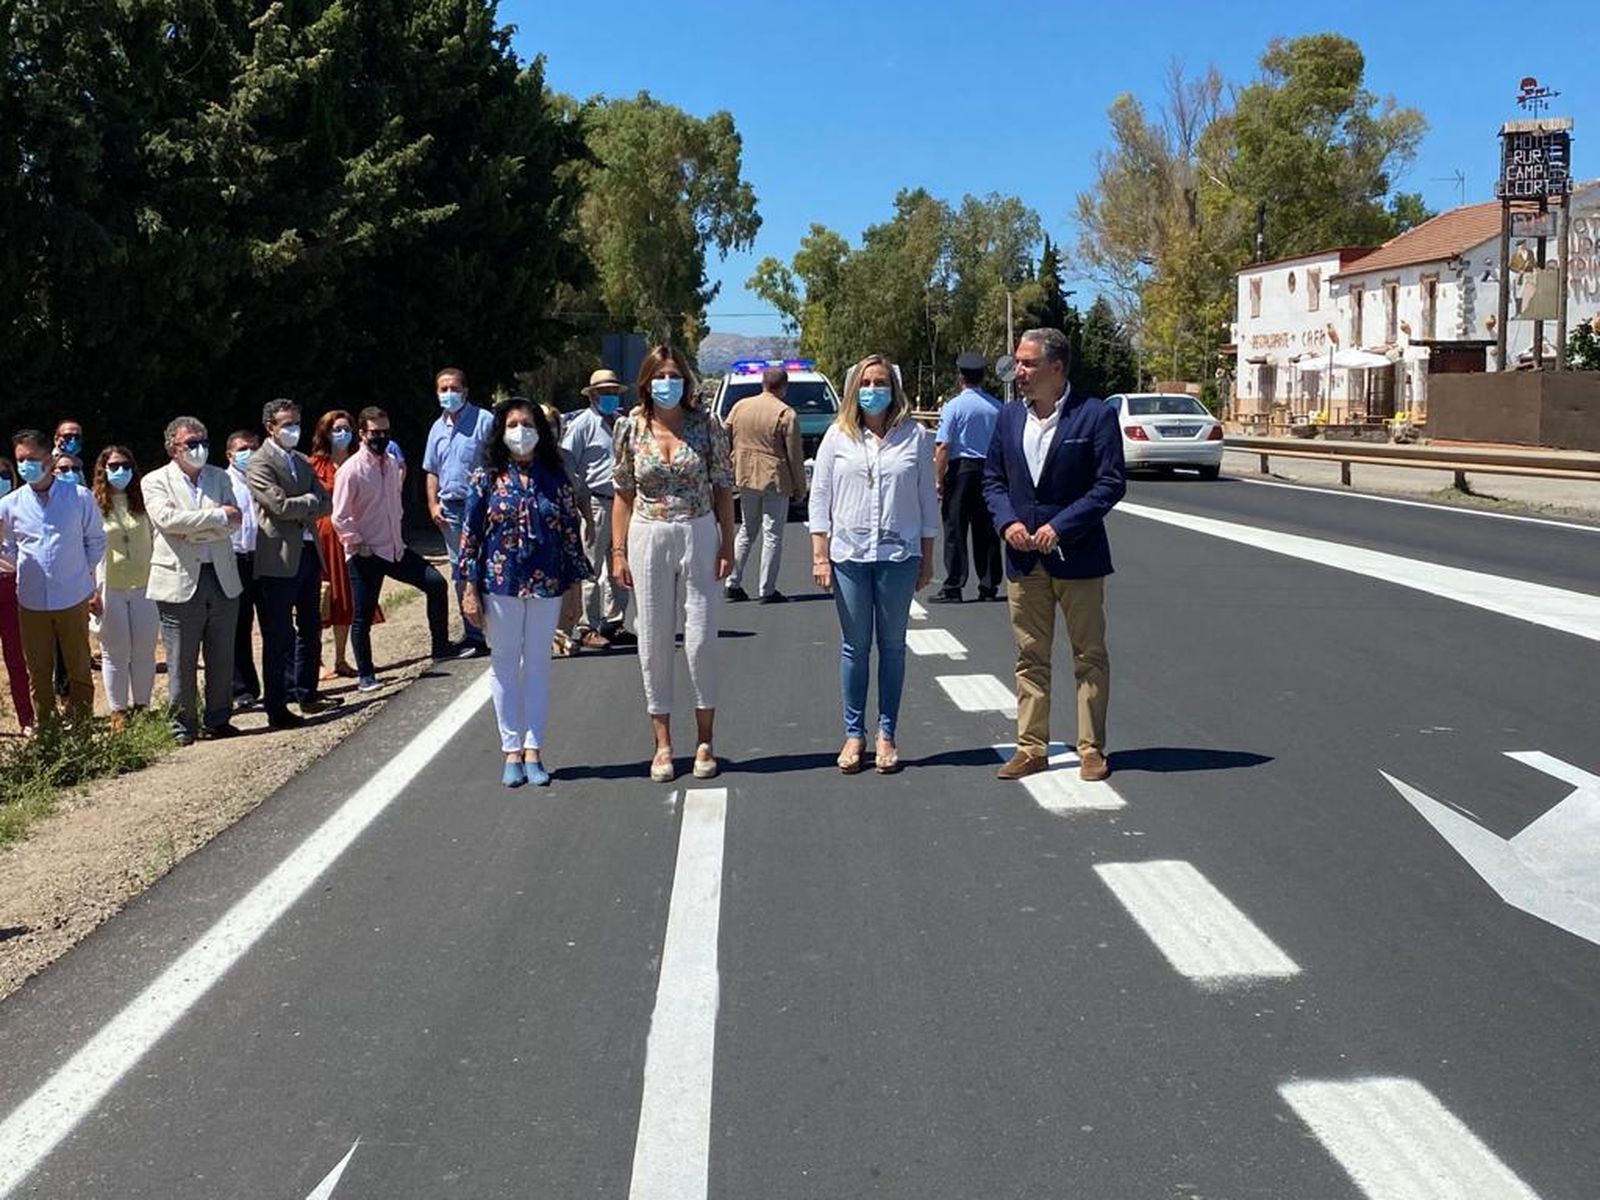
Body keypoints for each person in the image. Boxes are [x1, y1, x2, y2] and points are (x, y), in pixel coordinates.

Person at [982, 327, 1126, 783]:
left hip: (1078, 557)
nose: (1018, 371)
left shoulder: (1095, 415)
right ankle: (1031, 748)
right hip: (1025, 561)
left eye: (1027, 363)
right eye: (1018, 362)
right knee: (1030, 657)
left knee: (1089, 654)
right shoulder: (1007, 417)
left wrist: (1060, 526)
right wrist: (1008, 522)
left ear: (1056, 367)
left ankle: (1091, 749)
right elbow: (992, 480)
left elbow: (1110, 483)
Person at [611, 344, 735, 783]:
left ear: (685, 380)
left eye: (675, 375)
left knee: (700, 638)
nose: (668, 383)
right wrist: (618, 550)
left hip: (697, 528)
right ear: (647, 381)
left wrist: (728, 543)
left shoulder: (707, 426)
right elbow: (623, 492)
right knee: (654, 639)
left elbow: (723, 487)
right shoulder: (630, 428)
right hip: (648, 532)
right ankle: (662, 744)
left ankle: (705, 740)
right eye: (660, 375)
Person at [809, 355, 938, 775]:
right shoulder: (837, 437)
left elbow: (926, 499)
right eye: (865, 382)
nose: (873, 389)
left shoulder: (915, 437)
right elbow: (820, 497)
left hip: (898, 556)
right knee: (855, 647)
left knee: (894, 647)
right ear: (853, 390)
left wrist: (928, 555)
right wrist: (819, 554)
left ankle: (886, 733)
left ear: (893, 388)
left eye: (880, 382)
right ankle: (853, 734)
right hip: (849, 556)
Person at [457, 399, 590, 786]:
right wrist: (467, 588)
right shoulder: (486, 478)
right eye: (512, 424)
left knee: (537, 665)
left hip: (547, 583)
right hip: (500, 583)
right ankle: (510, 749)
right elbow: (470, 537)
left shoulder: (556, 478)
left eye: (527, 423)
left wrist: (575, 591)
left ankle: (534, 749)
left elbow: (570, 537)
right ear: (501, 432)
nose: (521, 431)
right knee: (504, 663)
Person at [333, 406, 453, 690]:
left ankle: (441, 646)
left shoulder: (390, 463)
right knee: (363, 615)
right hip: (366, 553)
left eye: (385, 432)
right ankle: (366, 674)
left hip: (395, 549)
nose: (381, 437)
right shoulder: (351, 470)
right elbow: (340, 516)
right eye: (375, 432)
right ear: (362, 434)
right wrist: (357, 543)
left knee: (435, 583)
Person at [142, 417, 245, 745]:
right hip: (179, 579)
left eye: (203, 442)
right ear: (174, 448)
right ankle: (182, 724)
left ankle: (218, 716)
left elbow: (236, 518)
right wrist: (215, 518)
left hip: (222, 575)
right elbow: (168, 521)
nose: (199, 449)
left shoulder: (218, 476)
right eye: (191, 443)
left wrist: (196, 527)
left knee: (221, 652)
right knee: (181, 658)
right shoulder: (155, 481)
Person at [0, 431, 103, 726]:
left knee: (79, 668)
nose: (25, 465)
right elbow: (8, 549)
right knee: (39, 671)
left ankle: (82, 726)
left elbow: (95, 539)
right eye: (21, 460)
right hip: (31, 599)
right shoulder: (10, 504)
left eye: (32, 459)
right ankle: (47, 730)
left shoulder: (78, 497)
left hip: (72, 594)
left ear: (49, 459)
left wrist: (80, 572)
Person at [247, 400, 339, 727]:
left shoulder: (301, 460)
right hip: (279, 557)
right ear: (270, 427)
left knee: (311, 625)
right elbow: (278, 506)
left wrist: (306, 504)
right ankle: (277, 704)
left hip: (309, 552)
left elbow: (326, 501)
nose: (293, 430)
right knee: (279, 634)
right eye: (286, 424)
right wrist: (308, 503)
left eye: (296, 423)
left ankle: (307, 690)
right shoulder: (259, 462)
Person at [559, 368, 635, 650]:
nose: (610, 397)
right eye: (604, 393)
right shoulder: (581, 425)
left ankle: (614, 622)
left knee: (621, 564)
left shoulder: (621, 423)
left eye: (614, 392)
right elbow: (567, 463)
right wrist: (580, 501)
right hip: (595, 503)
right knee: (591, 568)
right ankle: (586, 626)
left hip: (623, 503)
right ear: (592, 395)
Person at [423, 366, 492, 657]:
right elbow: (431, 470)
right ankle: (474, 633)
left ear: (465, 391)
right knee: (460, 569)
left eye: (454, 388)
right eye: (443, 389)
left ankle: (497, 628)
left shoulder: (485, 421)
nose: (448, 394)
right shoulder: (437, 428)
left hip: (481, 505)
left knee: (488, 564)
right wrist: (432, 503)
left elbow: (497, 460)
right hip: (449, 509)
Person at [725, 364, 807, 604]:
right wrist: (800, 487)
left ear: (763, 383)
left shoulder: (740, 406)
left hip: (745, 476)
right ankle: (767, 589)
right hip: (774, 479)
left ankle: (733, 581)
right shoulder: (785, 413)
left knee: (747, 531)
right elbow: (795, 455)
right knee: (772, 534)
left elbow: (725, 435)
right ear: (783, 387)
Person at [91, 446, 158, 731]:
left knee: (144, 650)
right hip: (110, 588)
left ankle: (142, 706)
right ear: (103, 470)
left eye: (126, 465)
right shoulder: (93, 505)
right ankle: (118, 712)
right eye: (114, 465)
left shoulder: (143, 502)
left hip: (145, 585)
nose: (121, 471)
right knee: (115, 653)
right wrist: (91, 590)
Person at [929, 350, 1004, 604]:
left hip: (961, 472)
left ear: (961, 377)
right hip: (990, 472)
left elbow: (943, 446)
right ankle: (989, 585)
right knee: (987, 531)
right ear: (983, 377)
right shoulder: (997, 407)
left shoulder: (953, 407)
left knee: (955, 529)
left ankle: (954, 586)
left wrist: (938, 480)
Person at [308, 410, 378, 678]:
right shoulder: (315, 465)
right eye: (336, 429)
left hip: (349, 537)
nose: (342, 434)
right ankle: (317, 660)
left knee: (346, 599)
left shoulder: (356, 462)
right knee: (320, 599)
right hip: (322, 537)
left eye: (347, 428)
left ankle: (340, 657)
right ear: (325, 433)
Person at [225, 430, 264, 709]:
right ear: (230, 455)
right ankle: (241, 688)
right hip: (235, 557)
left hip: (264, 557)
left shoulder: (263, 478)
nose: (247, 453)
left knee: (275, 622)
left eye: (252, 448)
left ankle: (285, 683)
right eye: (242, 449)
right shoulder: (223, 482)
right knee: (238, 625)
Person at [0, 456, 35, 733]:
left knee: (17, 658)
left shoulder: (19, 508)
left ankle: (27, 719)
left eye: (4, 474)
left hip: (13, 587)